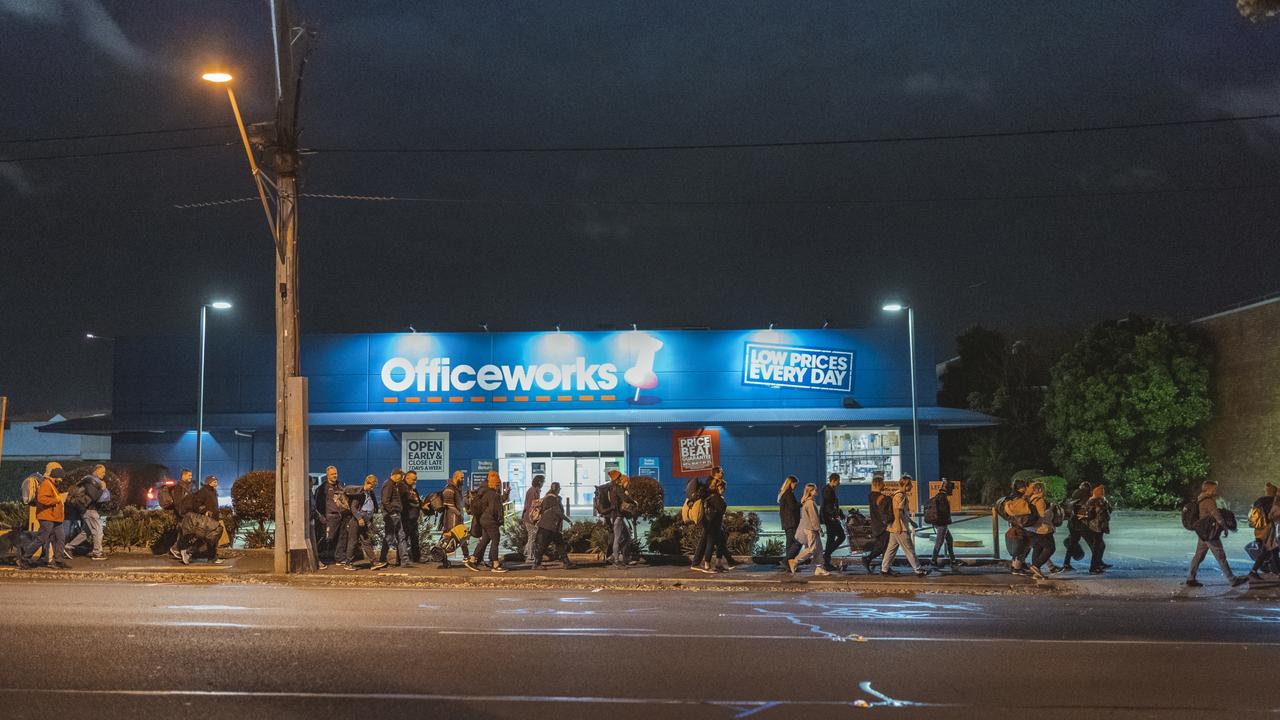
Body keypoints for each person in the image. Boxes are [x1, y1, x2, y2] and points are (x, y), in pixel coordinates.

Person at [1186, 480, 1248, 588]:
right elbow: (1217, 515)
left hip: (1203, 532)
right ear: (1209, 489)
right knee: (1220, 556)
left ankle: (1190, 578)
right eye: (1214, 489)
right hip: (1210, 533)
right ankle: (1232, 580)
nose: (1216, 490)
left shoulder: (1200, 499)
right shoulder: (1209, 501)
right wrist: (1224, 527)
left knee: (1198, 556)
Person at [20, 467, 70, 570]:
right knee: (41, 538)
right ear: (55, 477)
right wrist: (57, 499)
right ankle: (25, 558)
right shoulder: (46, 484)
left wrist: (59, 498)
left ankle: (59, 561)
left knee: (60, 538)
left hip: (55, 518)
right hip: (47, 517)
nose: (61, 480)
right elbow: (42, 499)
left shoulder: (52, 485)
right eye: (60, 478)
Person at [881, 475, 928, 577]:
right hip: (900, 528)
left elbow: (902, 512)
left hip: (894, 527)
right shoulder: (900, 496)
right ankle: (919, 570)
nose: (911, 486)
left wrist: (911, 522)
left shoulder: (898, 494)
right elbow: (897, 510)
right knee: (909, 549)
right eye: (910, 484)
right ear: (906, 485)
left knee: (891, 549)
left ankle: (884, 569)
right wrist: (899, 525)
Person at [65, 464, 109, 560]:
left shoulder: (92, 481)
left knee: (86, 532)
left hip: (88, 510)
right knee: (98, 531)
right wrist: (102, 488)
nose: (104, 474)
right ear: (96, 471)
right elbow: (95, 496)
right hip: (89, 510)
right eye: (102, 471)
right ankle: (97, 553)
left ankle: (69, 547)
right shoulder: (90, 482)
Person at [467, 471, 507, 573]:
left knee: (485, 539)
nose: (499, 487)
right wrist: (498, 519)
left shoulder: (485, 492)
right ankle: (495, 564)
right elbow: (494, 510)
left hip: (483, 519)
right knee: (496, 539)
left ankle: (472, 560)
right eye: (499, 484)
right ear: (496, 484)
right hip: (490, 520)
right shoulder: (494, 495)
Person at [787, 483, 828, 576]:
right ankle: (795, 561)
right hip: (811, 529)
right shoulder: (810, 503)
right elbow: (814, 518)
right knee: (812, 549)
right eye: (814, 490)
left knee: (819, 549)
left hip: (810, 528)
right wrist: (819, 529)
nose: (816, 491)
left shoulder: (807, 502)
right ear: (810, 492)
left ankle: (819, 568)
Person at [531, 482, 575, 570]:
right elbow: (558, 512)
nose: (559, 490)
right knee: (544, 545)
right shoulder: (553, 498)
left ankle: (566, 563)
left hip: (549, 526)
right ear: (556, 489)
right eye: (559, 488)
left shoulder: (547, 497)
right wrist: (568, 520)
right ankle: (536, 564)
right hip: (549, 526)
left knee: (559, 544)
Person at [313, 466, 348, 568]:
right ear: (327, 475)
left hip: (342, 516)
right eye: (332, 474)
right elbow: (318, 505)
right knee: (327, 538)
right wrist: (322, 518)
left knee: (342, 538)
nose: (335, 476)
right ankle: (319, 558)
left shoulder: (341, 485)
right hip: (330, 518)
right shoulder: (322, 488)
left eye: (336, 473)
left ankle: (339, 558)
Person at [997, 478, 1033, 576]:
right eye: (1024, 486)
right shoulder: (1018, 498)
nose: (1026, 488)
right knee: (1023, 545)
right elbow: (1020, 511)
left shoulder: (1013, 496)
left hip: (1017, 524)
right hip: (1020, 524)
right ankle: (1017, 568)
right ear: (1020, 488)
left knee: (1022, 545)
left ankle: (1017, 565)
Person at [346, 474, 383, 570]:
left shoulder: (370, 493)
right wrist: (359, 518)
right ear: (367, 482)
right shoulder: (360, 493)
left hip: (364, 521)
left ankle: (374, 562)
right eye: (372, 485)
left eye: (374, 486)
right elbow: (353, 508)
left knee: (366, 541)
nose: (373, 487)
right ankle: (348, 563)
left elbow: (373, 506)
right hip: (356, 521)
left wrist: (370, 520)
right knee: (353, 542)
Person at [1056, 481, 1094, 573]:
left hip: (1073, 524)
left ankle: (1066, 564)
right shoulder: (1086, 498)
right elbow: (1085, 513)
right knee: (1092, 544)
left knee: (1072, 544)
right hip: (1081, 524)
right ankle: (1096, 564)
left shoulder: (1073, 497)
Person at [1026, 481, 1058, 580]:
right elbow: (1043, 516)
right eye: (1043, 489)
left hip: (1031, 529)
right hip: (1040, 529)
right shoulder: (1039, 500)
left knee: (1038, 548)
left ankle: (1036, 573)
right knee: (1050, 548)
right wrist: (1051, 509)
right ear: (1039, 490)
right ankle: (1036, 566)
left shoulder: (1031, 499)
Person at [438, 470, 470, 568]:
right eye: (462, 477)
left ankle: (466, 557)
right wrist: (459, 513)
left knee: (462, 537)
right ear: (456, 477)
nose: (463, 479)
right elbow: (449, 505)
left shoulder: (457, 489)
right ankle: (443, 559)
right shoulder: (449, 489)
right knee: (448, 539)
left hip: (457, 519)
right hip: (451, 520)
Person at [380, 469, 411, 568]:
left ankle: (404, 561)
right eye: (401, 476)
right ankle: (382, 559)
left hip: (396, 514)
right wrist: (391, 511)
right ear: (396, 475)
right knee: (390, 537)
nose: (402, 478)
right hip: (392, 515)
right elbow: (385, 501)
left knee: (401, 537)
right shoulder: (388, 484)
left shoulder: (394, 485)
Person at [607, 471, 637, 568]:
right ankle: (616, 560)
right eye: (620, 477)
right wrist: (634, 502)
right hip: (617, 517)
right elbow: (625, 499)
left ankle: (622, 558)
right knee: (617, 538)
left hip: (616, 516)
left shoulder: (612, 488)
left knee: (627, 537)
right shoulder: (617, 488)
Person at [862, 474, 891, 574]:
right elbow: (883, 512)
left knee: (883, 546)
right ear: (879, 484)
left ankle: (885, 566)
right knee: (883, 546)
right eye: (883, 483)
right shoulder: (881, 497)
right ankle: (868, 559)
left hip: (875, 524)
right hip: (882, 525)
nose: (884, 485)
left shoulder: (871, 496)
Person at [929, 479, 960, 570]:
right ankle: (933, 560)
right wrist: (946, 521)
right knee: (939, 542)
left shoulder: (940, 496)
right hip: (942, 524)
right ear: (947, 488)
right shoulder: (942, 497)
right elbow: (943, 512)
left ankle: (953, 560)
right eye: (951, 489)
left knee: (949, 540)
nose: (952, 491)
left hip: (940, 523)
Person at [1080, 484, 1111, 574]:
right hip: (1097, 526)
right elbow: (1108, 511)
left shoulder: (1094, 501)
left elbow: (1087, 514)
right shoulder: (1100, 501)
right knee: (1098, 546)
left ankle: (1096, 565)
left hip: (1095, 526)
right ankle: (1094, 567)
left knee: (1098, 546)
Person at [820, 473, 846, 571]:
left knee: (830, 539)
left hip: (830, 517)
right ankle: (827, 554)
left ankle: (827, 560)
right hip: (830, 518)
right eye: (838, 481)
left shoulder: (830, 489)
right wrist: (836, 515)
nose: (839, 483)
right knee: (841, 536)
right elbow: (829, 506)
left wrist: (839, 513)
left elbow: (832, 505)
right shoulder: (828, 490)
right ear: (834, 480)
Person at [168, 469, 195, 561]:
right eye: (189, 475)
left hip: (187, 514)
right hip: (182, 514)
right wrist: (181, 513)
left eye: (191, 475)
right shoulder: (179, 487)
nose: (191, 477)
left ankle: (177, 549)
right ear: (183, 476)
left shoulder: (188, 486)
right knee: (186, 532)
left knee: (183, 532)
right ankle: (177, 549)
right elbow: (178, 502)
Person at [778, 475, 801, 564]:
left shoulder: (783, 493)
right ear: (791, 483)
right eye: (795, 484)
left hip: (787, 522)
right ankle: (786, 562)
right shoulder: (788, 494)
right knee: (796, 543)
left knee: (790, 544)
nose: (795, 486)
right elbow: (793, 506)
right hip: (791, 522)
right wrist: (801, 503)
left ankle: (789, 564)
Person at [523, 474, 545, 564]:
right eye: (543, 481)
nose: (543, 483)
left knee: (531, 536)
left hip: (528, 517)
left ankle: (526, 553)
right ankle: (529, 557)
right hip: (530, 518)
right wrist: (543, 500)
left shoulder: (533, 490)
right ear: (539, 482)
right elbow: (533, 504)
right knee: (532, 537)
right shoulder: (533, 491)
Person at [402, 471, 423, 564]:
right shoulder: (403, 488)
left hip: (414, 518)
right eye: (414, 479)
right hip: (406, 518)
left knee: (415, 538)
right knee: (404, 539)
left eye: (416, 479)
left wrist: (423, 506)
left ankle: (417, 558)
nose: (415, 481)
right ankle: (402, 559)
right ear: (407, 478)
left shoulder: (413, 489)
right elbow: (404, 502)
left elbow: (418, 500)